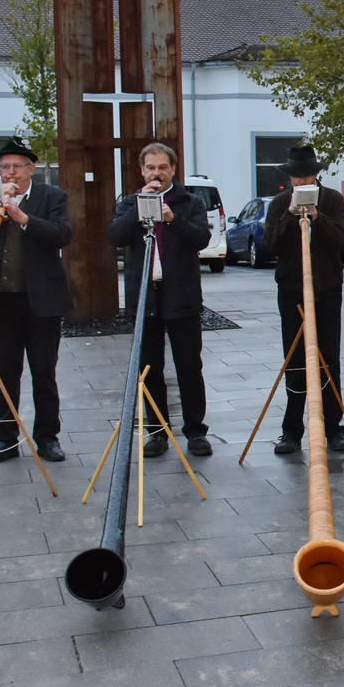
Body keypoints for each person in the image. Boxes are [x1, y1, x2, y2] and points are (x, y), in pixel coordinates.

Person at [0, 136, 72, 464]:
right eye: (4, 167)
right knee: (5, 374)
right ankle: (5, 439)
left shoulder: (52, 196)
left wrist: (23, 219)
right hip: (1, 302)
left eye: (17, 167)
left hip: (42, 301)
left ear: (31, 170)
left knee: (44, 372)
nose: (11, 173)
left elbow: (62, 234)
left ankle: (47, 438)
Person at [107, 142, 214, 456]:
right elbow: (115, 237)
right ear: (142, 171)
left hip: (181, 295)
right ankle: (156, 431)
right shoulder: (129, 203)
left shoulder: (189, 201)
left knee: (189, 366)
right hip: (145, 296)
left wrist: (171, 218)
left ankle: (196, 432)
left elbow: (202, 238)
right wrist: (143, 205)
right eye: (151, 168)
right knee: (149, 368)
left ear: (173, 170)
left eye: (162, 167)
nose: (157, 173)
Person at [262, 144, 344, 455]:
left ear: (316, 175)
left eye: (307, 176)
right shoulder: (278, 203)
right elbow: (270, 246)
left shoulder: (333, 200)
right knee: (295, 359)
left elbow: (342, 241)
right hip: (291, 289)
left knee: (329, 359)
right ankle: (292, 430)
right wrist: (289, 216)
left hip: (327, 288)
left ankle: (333, 428)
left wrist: (318, 217)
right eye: (297, 178)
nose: (302, 182)